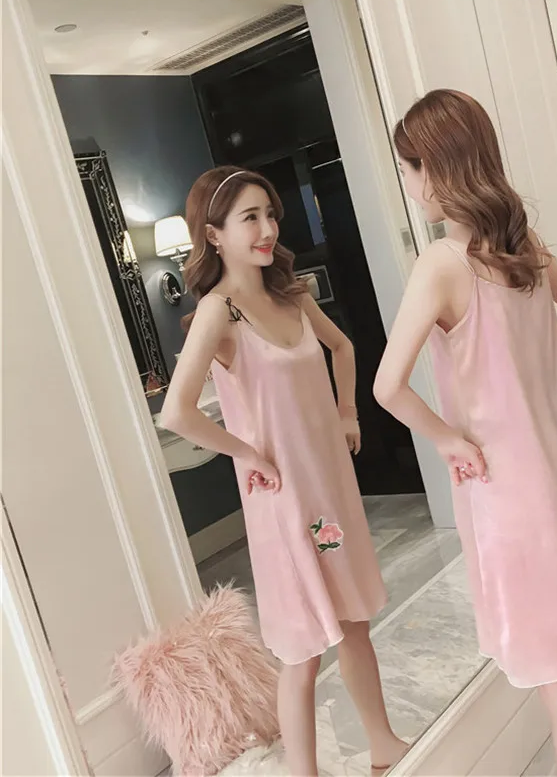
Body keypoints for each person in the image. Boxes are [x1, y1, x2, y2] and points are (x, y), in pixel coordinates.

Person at [373, 90, 557, 777]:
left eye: (409, 168)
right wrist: (540, 389)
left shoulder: (442, 264)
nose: (408, 185)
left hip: (512, 498)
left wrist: (449, 439)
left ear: (435, 168)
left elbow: (388, 387)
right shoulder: (523, 248)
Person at [161, 166, 406, 776]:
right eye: (250, 218)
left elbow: (343, 347)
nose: (268, 228)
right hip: (284, 502)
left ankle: (384, 745)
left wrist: (348, 411)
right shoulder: (219, 314)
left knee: (354, 621)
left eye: (270, 214)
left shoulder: (292, 296)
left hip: (329, 495)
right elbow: (177, 412)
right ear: (213, 234)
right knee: (302, 650)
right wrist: (246, 451)